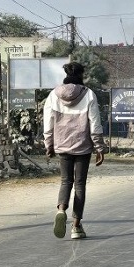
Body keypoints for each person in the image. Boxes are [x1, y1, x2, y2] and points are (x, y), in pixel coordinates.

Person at [43, 62, 105, 240]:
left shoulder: (53, 95)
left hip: (62, 145)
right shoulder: (89, 94)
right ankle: (76, 226)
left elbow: (48, 124)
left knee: (65, 181)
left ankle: (61, 209)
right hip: (83, 147)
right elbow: (95, 124)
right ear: (81, 75)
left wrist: (49, 145)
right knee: (79, 184)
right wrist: (99, 148)